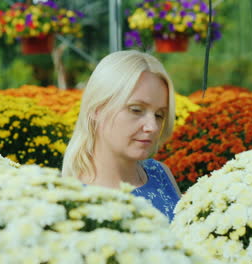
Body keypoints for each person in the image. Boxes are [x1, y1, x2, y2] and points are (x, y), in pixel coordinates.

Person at [62, 50, 181, 221]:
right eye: (136, 110)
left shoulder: (160, 174)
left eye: (159, 115)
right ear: (97, 109)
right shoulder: (72, 200)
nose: (152, 127)